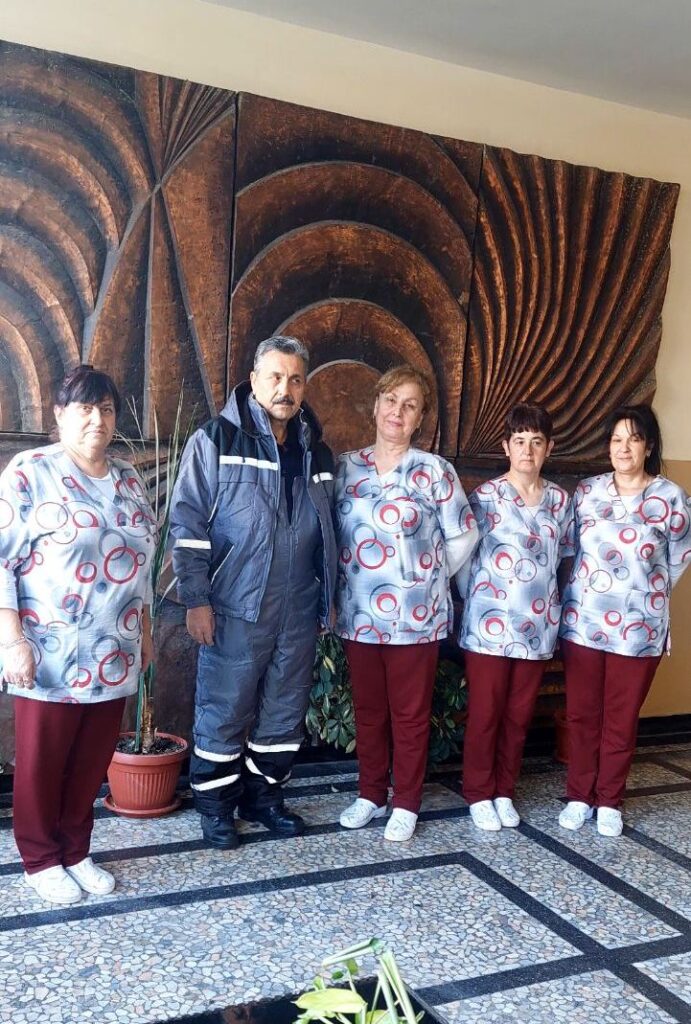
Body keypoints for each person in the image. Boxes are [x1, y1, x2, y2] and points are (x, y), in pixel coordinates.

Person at [170, 335, 337, 849]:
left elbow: (329, 530)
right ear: (254, 379)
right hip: (235, 602)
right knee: (225, 705)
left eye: (295, 379)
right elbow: (187, 525)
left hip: (299, 603)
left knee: (285, 708)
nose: (285, 388)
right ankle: (216, 806)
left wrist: (327, 597)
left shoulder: (316, 449)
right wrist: (196, 599)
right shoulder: (217, 439)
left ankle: (264, 798)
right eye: (275, 377)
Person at [0, 366, 155, 905]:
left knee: (91, 760)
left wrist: (145, 631)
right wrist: (11, 641)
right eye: (85, 408)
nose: (97, 420)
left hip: (115, 649)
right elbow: (2, 561)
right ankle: (40, 858)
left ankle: (75, 849)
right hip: (50, 651)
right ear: (60, 414)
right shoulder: (31, 472)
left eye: (106, 409)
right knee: (43, 761)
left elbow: (141, 562)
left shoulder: (128, 478)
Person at [335, 364, 478, 842]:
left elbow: (464, 535)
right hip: (358, 613)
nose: (397, 412)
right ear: (376, 404)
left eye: (410, 405)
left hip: (416, 617)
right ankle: (371, 794)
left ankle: (406, 802)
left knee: (410, 715)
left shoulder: (435, 471)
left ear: (420, 419)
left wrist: (426, 576)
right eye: (391, 400)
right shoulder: (346, 467)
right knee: (369, 710)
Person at [558, 404, 690, 837]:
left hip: (639, 629)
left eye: (633, 439)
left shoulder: (670, 498)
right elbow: (570, 550)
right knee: (582, 714)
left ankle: (609, 800)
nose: (624, 448)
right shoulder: (587, 492)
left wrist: (643, 593)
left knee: (621, 717)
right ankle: (579, 795)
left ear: (648, 446)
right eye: (616, 439)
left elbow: (677, 560)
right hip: (584, 622)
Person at [458, 404, 573, 831]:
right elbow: (465, 562)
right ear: (506, 446)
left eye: (536, 442)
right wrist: (475, 601)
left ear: (548, 448)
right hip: (488, 625)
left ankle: (504, 790)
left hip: (537, 627)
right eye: (519, 441)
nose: (527, 450)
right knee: (485, 713)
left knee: (518, 715)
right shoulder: (485, 498)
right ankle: (478, 792)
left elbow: (561, 560)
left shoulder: (560, 501)